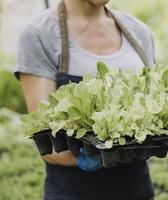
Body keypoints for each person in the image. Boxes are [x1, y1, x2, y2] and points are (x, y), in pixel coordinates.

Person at [13, 0, 156, 199]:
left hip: (137, 189)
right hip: (74, 192)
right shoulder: (39, 34)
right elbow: (47, 140)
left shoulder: (139, 32)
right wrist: (93, 156)